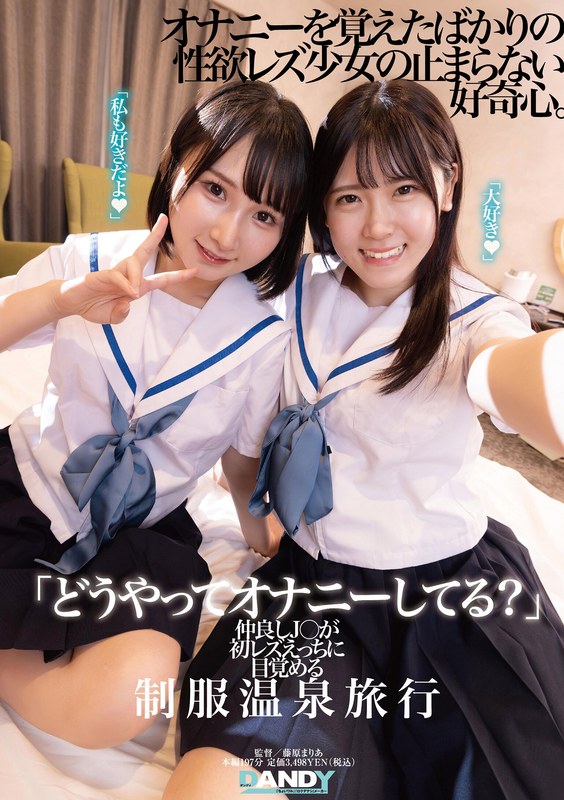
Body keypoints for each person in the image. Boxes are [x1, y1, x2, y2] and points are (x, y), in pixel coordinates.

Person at [166, 79, 564, 799]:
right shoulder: (296, 289)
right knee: (210, 787)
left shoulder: (477, 318)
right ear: (323, 208)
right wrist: (260, 528)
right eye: (350, 197)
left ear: (447, 185)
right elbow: (241, 416)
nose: (377, 226)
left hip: (443, 597)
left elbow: (511, 374)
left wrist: (546, 389)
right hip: (311, 591)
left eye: (404, 188)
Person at [0, 80, 313, 749]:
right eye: (216, 189)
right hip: (26, 487)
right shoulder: (88, 258)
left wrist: (264, 534)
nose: (226, 233)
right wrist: (61, 300)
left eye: (264, 215)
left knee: (125, 699)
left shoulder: (265, 335)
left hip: (137, 534)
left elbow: (240, 459)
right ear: (175, 165)